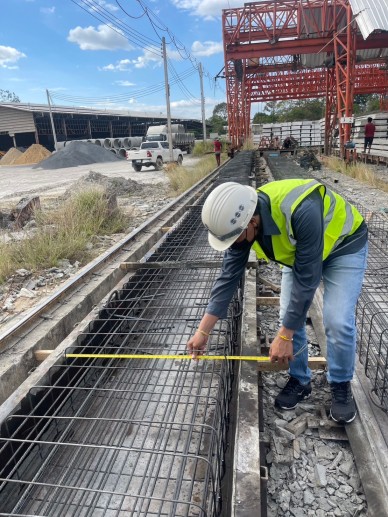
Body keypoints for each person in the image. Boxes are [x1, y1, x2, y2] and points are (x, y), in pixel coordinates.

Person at [187, 180, 368, 424]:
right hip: (300, 254)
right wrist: (203, 332)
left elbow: (308, 280)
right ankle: (300, 379)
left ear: (251, 223)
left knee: (337, 320)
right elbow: (227, 279)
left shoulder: (301, 209)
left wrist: (284, 336)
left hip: (343, 246)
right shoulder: (242, 225)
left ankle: (341, 384)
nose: (233, 245)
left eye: (233, 239)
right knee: (287, 315)